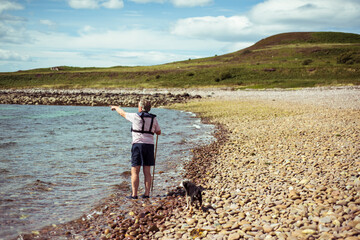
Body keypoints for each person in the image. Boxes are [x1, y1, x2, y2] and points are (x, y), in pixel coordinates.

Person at [111, 99, 161, 199]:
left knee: (135, 170)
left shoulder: (135, 116)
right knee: (147, 171)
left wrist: (116, 107)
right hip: (149, 146)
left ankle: (134, 194)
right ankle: (146, 194)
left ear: (140, 108)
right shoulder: (153, 119)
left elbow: (122, 113)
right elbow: (158, 132)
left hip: (138, 145)